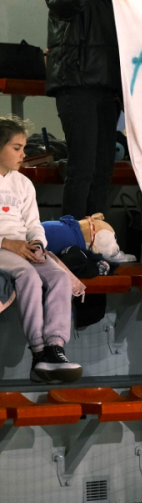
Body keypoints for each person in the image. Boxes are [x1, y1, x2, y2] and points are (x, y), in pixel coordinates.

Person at [46, 0, 121, 219]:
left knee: (104, 168)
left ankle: (97, 240)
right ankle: (72, 240)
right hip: (77, 87)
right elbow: (61, 3)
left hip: (106, 89)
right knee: (82, 168)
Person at [0, 117, 82, 383]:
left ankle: (54, 346)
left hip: (23, 246)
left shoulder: (23, 184)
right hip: (3, 247)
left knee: (59, 277)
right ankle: (38, 351)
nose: (24, 154)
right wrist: (7, 243)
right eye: (16, 147)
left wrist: (37, 244)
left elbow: (34, 224)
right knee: (28, 276)